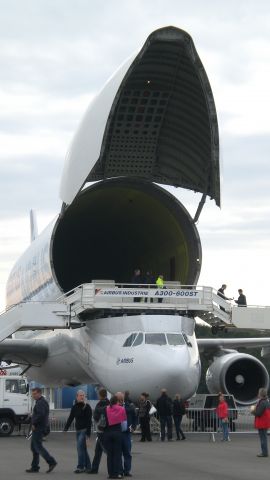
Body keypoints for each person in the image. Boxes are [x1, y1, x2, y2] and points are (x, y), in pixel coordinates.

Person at [25, 387, 57, 473]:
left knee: (38, 447)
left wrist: (34, 423)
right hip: (40, 427)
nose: (33, 395)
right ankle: (35, 467)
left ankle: (51, 462)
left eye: (35, 394)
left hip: (39, 427)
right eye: (33, 394)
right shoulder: (41, 402)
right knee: (34, 447)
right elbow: (39, 414)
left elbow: (41, 414)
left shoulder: (40, 403)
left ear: (39, 393)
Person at [63, 390, 92, 473]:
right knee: (83, 449)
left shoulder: (87, 407)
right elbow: (71, 418)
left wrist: (88, 435)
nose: (82, 397)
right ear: (77, 397)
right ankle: (88, 467)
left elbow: (89, 422)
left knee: (79, 449)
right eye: (80, 395)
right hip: (78, 431)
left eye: (83, 395)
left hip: (84, 430)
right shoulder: (74, 407)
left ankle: (80, 467)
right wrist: (66, 428)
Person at [103, 395, 127, 479]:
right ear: (117, 401)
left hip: (107, 433)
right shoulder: (122, 409)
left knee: (110, 454)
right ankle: (116, 473)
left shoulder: (106, 409)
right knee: (117, 454)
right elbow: (124, 422)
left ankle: (110, 473)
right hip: (117, 432)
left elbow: (104, 420)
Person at [116, 392, 137, 477]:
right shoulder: (113, 407)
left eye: (121, 399)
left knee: (127, 453)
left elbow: (135, 417)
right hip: (117, 433)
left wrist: (134, 427)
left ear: (123, 398)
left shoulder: (129, 407)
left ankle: (127, 470)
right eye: (118, 399)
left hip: (126, 433)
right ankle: (120, 470)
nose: (120, 400)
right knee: (118, 453)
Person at [90, 388, 110, 474]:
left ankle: (117, 467)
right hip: (107, 429)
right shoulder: (109, 403)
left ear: (100, 395)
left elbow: (96, 416)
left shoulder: (99, 404)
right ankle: (94, 468)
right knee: (98, 450)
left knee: (106, 450)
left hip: (101, 429)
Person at [251, 387, 270, 457]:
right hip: (265, 422)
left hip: (262, 423)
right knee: (264, 438)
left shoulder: (262, 402)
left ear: (261, 394)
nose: (258, 394)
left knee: (263, 439)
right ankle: (265, 452)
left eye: (259, 393)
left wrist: (252, 411)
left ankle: (264, 453)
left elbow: (259, 413)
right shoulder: (266, 401)